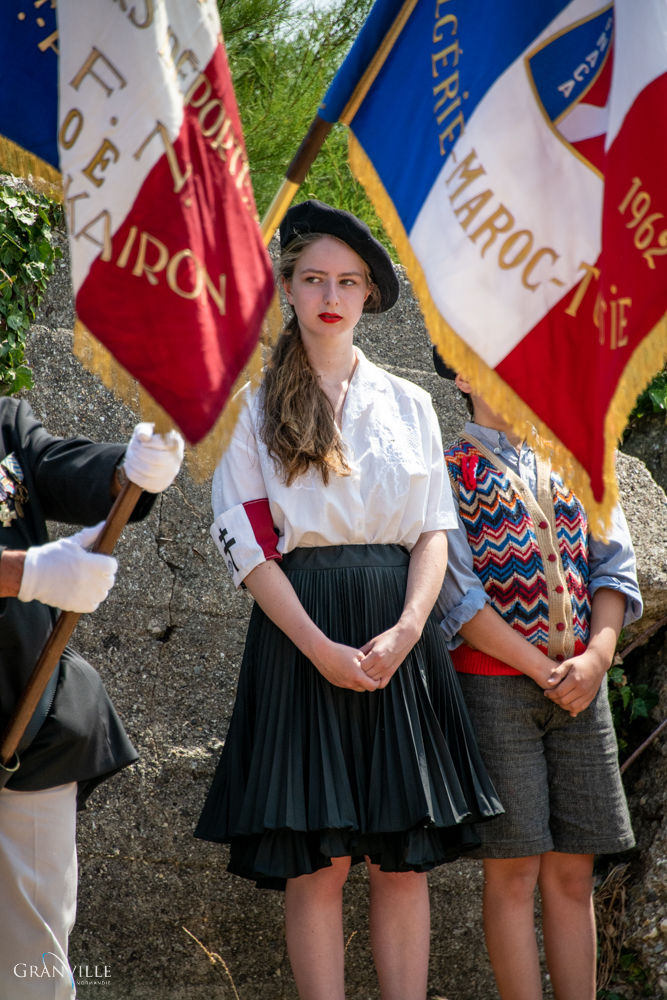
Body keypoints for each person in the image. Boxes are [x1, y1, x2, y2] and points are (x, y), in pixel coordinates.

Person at [195, 200, 503, 1000]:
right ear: (289, 289)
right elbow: (250, 548)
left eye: (348, 281)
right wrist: (321, 651)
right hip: (304, 635)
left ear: (368, 296)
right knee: (321, 861)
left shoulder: (408, 402)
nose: (330, 294)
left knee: (400, 860)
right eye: (312, 279)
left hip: (400, 637)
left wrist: (407, 630)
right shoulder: (252, 405)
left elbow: (433, 532)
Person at [433, 349, 642, 1000]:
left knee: (574, 870)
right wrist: (541, 667)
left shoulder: (576, 460)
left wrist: (597, 658)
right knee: (514, 870)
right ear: (462, 376)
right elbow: (457, 598)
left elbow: (612, 567)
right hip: (494, 688)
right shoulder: (447, 472)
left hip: (582, 688)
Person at [0, 407, 183, 999]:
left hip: (27, 730)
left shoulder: (3, 421)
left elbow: (56, 466)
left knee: (35, 963)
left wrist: (126, 470)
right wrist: (21, 573)